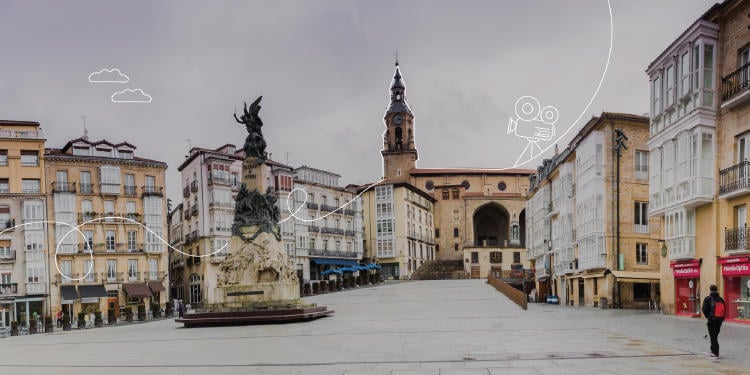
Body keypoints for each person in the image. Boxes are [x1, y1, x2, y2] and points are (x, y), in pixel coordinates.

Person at [701, 284, 726, 358]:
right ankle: (713, 350)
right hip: (719, 321)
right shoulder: (721, 299)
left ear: (710, 290)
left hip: (712, 320)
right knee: (715, 335)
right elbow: (724, 309)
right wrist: (721, 319)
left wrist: (708, 316)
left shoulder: (708, 298)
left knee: (713, 337)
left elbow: (704, 309)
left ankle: (715, 352)